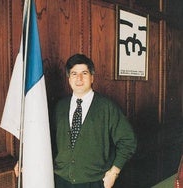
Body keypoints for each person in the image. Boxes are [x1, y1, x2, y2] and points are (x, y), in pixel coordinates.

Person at [52, 53, 137, 188]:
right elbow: (45, 140)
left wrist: (114, 172)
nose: (79, 78)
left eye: (84, 73)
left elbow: (128, 140)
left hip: (95, 181)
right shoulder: (59, 106)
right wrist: (26, 161)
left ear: (92, 77)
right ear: (68, 78)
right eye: (74, 73)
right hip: (61, 180)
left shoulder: (107, 106)